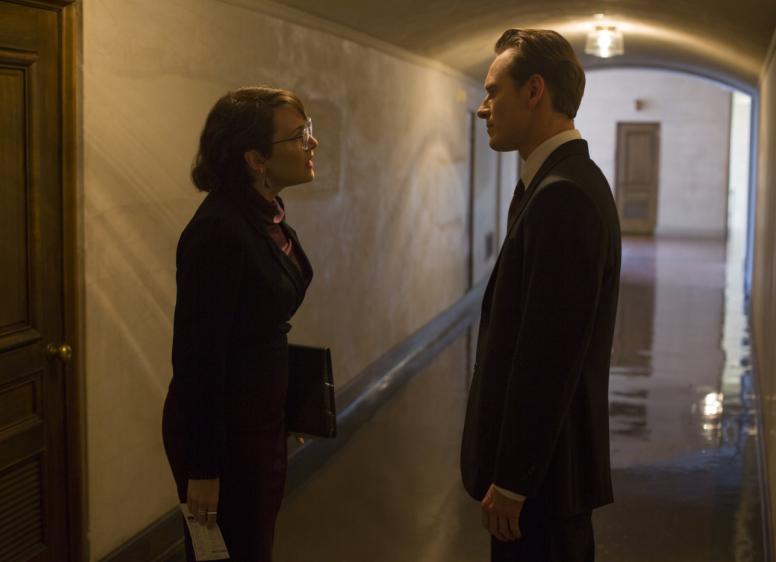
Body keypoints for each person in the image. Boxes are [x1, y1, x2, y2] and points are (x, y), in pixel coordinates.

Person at [460, 29, 622, 562]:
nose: (483, 108)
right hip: (547, 477)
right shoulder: (558, 180)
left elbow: (549, 356)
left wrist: (514, 480)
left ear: (534, 91)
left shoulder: (564, 194)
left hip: (545, 483)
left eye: (493, 91)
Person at [162, 86, 318, 562]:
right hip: (225, 439)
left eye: (309, 130)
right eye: (299, 135)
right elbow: (198, 359)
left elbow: (258, 326)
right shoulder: (218, 230)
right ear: (255, 158)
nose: (312, 143)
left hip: (259, 423)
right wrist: (204, 469)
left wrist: (288, 405)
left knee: (253, 546)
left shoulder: (266, 215)